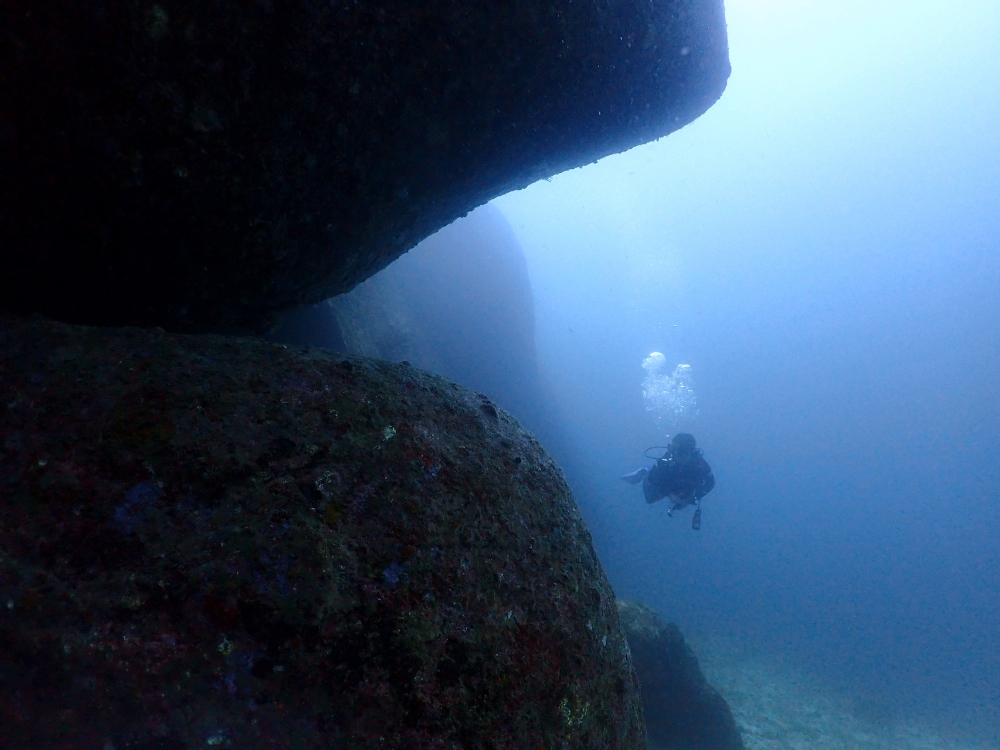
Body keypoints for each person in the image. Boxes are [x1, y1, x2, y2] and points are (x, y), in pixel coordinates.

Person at [621, 433, 715, 518]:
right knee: (650, 499)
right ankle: (645, 471)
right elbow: (653, 478)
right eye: (677, 451)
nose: (680, 456)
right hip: (667, 484)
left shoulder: (700, 464)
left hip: (685, 488)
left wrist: (692, 498)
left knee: (680, 505)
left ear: (692, 452)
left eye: (684, 452)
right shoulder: (667, 460)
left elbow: (710, 482)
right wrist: (668, 493)